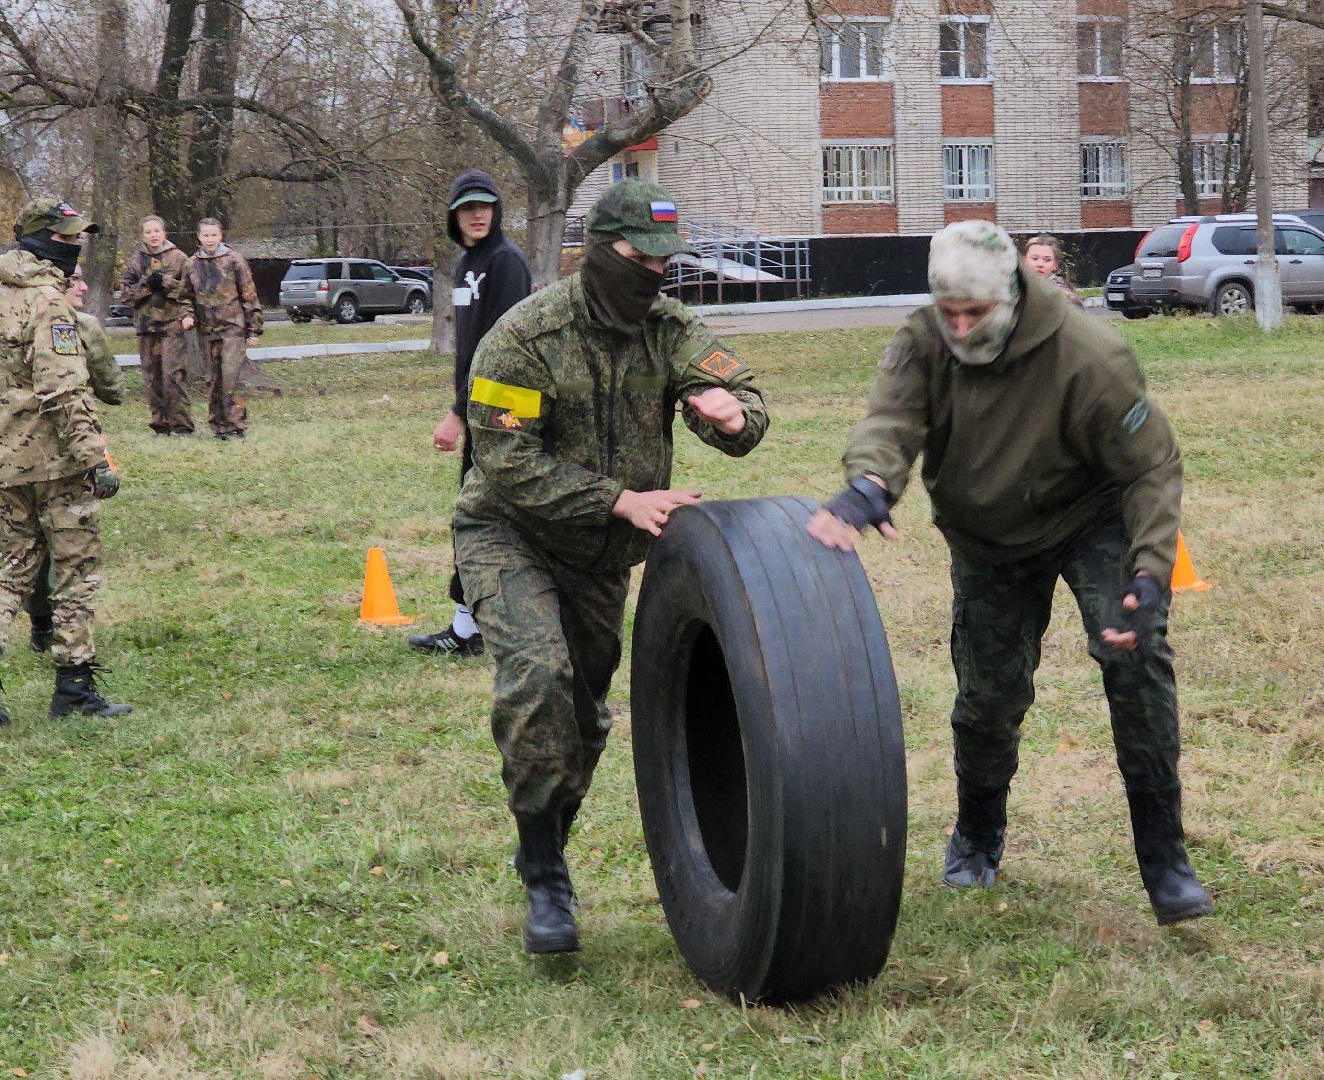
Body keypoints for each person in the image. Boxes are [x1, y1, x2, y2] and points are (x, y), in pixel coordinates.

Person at [807, 219, 1212, 926]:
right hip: (988, 536)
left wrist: (1148, 576)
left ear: (1014, 296)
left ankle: (1165, 857)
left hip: (1091, 517)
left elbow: (1151, 466)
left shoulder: (1090, 355)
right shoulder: (924, 336)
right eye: (950, 312)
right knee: (989, 701)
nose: (961, 327)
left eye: (976, 313)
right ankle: (978, 833)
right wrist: (869, 485)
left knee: (1137, 661)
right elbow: (891, 420)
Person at [454, 178, 769, 953]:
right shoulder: (523, 337)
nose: (656, 273)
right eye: (639, 257)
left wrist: (734, 419)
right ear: (598, 253)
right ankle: (545, 880)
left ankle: (545, 834)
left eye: (666, 259)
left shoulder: (668, 327)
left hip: (598, 560)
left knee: (584, 718)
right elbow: (503, 461)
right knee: (539, 679)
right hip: (510, 535)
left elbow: (740, 391)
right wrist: (619, 500)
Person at [0, 198, 132, 731]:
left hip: (4, 462)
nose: (76, 247)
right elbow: (65, 389)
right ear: (39, 239)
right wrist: (95, 458)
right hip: (54, 463)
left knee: (12, 568)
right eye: (68, 239)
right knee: (74, 571)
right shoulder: (49, 302)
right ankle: (75, 689)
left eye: (79, 239)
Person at [0, 266, 126, 654]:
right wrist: (96, 461)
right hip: (61, 457)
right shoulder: (77, 325)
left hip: (8, 461)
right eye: (76, 278)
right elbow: (108, 389)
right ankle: (72, 669)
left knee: (17, 560)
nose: (82, 285)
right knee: (70, 559)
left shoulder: (0, 316)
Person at [409, 169, 534, 658]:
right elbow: (468, 349)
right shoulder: (466, 264)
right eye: (468, 207)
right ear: (453, 216)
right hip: (482, 407)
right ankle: (469, 627)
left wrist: (459, 413)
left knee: (484, 512)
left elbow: (502, 350)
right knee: (480, 512)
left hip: (506, 409)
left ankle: (480, 626)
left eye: (485, 206)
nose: (478, 215)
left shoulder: (506, 263)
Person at [116, 214, 197, 436]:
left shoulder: (179, 258)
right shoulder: (136, 261)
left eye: (156, 231)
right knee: (152, 378)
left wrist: (166, 283)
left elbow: (191, 291)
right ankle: (161, 425)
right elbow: (125, 296)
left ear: (164, 233)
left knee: (173, 376)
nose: (153, 235)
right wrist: (146, 284)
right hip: (146, 327)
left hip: (172, 324)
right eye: (148, 232)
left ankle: (182, 426)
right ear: (142, 236)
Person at [186, 218, 263, 440]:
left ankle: (236, 425)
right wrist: (188, 316)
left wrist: (254, 329)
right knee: (214, 380)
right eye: (205, 235)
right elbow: (186, 296)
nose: (210, 239)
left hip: (233, 329)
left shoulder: (234, 261)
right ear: (199, 237)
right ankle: (218, 425)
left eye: (214, 235)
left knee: (231, 378)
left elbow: (249, 295)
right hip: (207, 331)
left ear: (221, 236)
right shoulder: (192, 264)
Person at [1022, 234, 1082, 308]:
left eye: (1047, 260)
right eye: (1034, 258)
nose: (1040, 264)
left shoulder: (1062, 293)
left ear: (1055, 264)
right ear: (1024, 261)